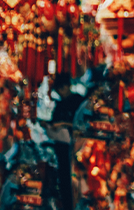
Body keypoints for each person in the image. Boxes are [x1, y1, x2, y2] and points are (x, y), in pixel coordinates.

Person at [49, 72, 85, 210]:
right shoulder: (59, 105)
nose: (60, 92)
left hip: (78, 149)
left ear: (67, 86)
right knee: (64, 182)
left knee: (77, 183)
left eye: (61, 89)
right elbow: (53, 123)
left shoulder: (79, 101)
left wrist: (65, 124)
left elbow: (83, 125)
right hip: (62, 149)